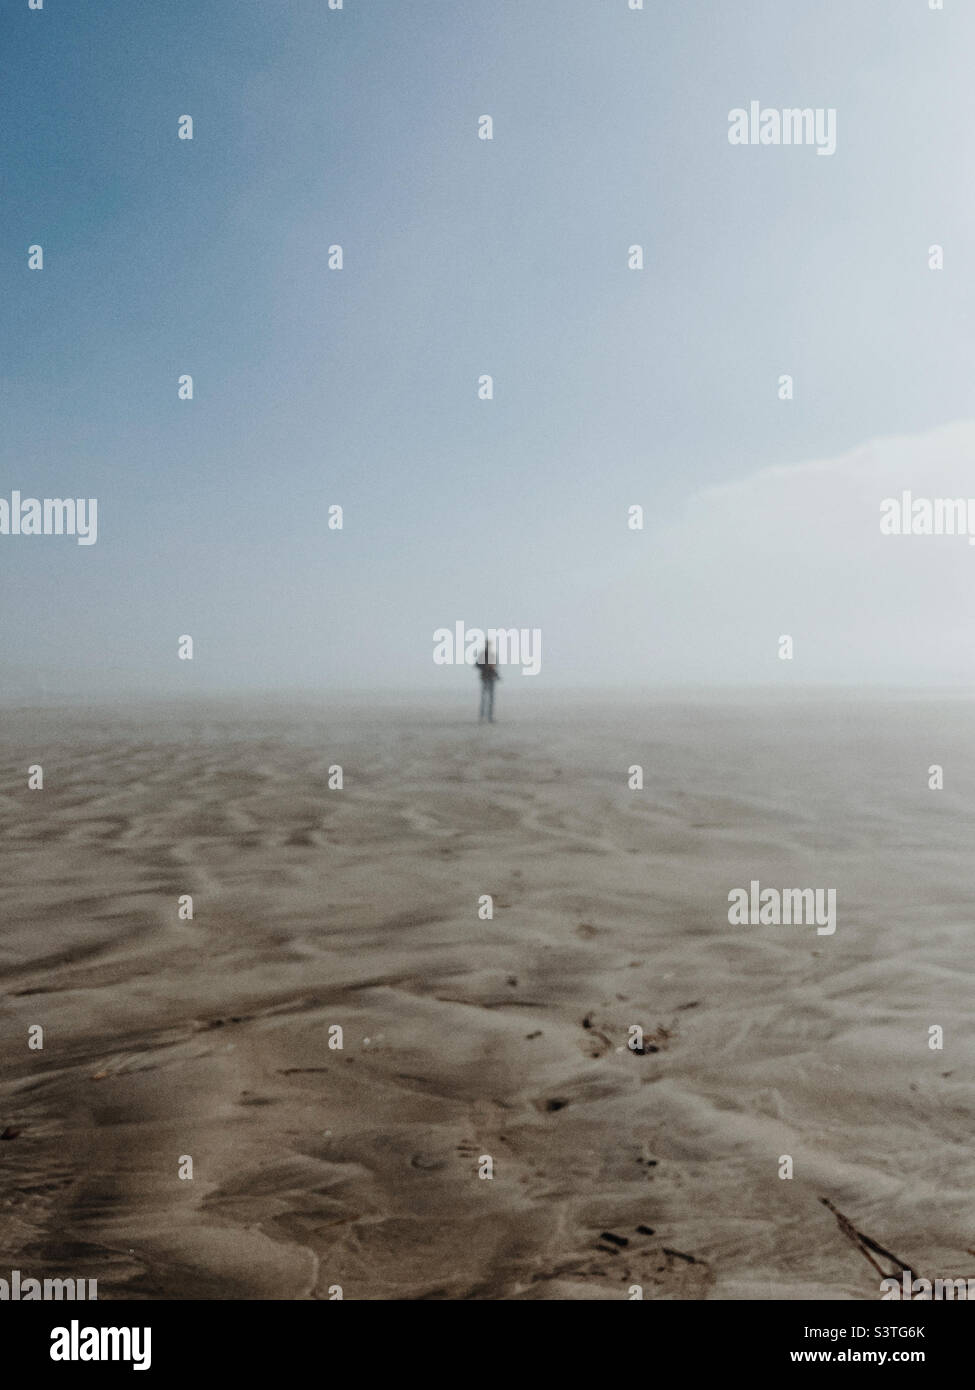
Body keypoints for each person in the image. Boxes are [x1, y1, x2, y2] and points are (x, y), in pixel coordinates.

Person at [476, 642, 500, 722]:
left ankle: (490, 716)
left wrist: (496, 674)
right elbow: (477, 665)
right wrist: (485, 666)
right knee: (485, 698)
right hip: (485, 677)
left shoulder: (492, 655)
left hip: (491, 677)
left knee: (490, 698)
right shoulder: (483, 655)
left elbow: (494, 666)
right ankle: (482, 716)